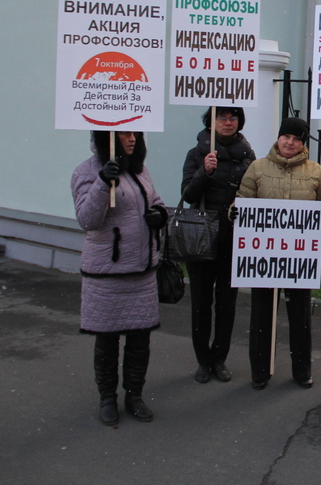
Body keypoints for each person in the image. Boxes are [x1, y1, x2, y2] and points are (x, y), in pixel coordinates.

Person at [71, 131, 168, 426]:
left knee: (139, 340)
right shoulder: (85, 172)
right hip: (107, 273)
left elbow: (156, 200)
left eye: (135, 133)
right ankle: (107, 399)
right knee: (108, 340)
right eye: (125, 134)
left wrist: (160, 216)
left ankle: (134, 396)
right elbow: (88, 220)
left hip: (141, 271)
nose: (132, 139)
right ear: (106, 138)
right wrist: (103, 182)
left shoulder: (140, 169)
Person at [234, 117, 321, 390]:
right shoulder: (258, 168)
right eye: (286, 136)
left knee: (300, 315)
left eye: (297, 138)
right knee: (262, 313)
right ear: (278, 138)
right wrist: (236, 212)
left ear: (303, 143)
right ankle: (260, 371)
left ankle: (302, 371)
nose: (290, 142)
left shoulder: (315, 171)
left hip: (299, 256)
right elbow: (243, 200)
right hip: (264, 255)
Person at [181, 106, 256, 384]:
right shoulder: (197, 154)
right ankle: (203, 361)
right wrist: (204, 172)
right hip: (201, 236)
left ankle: (219, 359)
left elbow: (255, 191)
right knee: (201, 302)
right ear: (211, 123)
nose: (227, 122)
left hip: (233, 237)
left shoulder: (248, 155)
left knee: (227, 302)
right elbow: (188, 193)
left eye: (232, 117)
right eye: (221, 117)